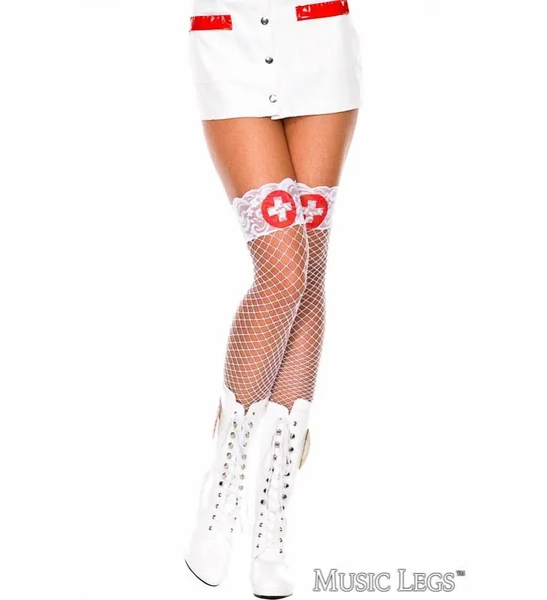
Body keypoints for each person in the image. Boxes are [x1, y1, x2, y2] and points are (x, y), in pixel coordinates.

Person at [184, 1, 362, 597]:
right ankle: (224, 481)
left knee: (308, 272)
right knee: (283, 268)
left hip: (318, 41)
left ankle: (271, 523)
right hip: (229, 43)